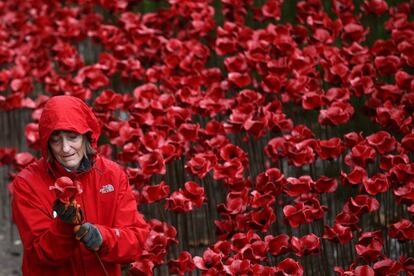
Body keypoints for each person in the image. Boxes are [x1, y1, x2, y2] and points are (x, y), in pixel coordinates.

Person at [10, 95, 149, 275]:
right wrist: (64, 226)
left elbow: (136, 240)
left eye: (72, 137)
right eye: (56, 139)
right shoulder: (27, 184)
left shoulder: (112, 175)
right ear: (46, 143)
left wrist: (103, 238)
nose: (65, 148)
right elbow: (40, 254)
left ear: (87, 136)